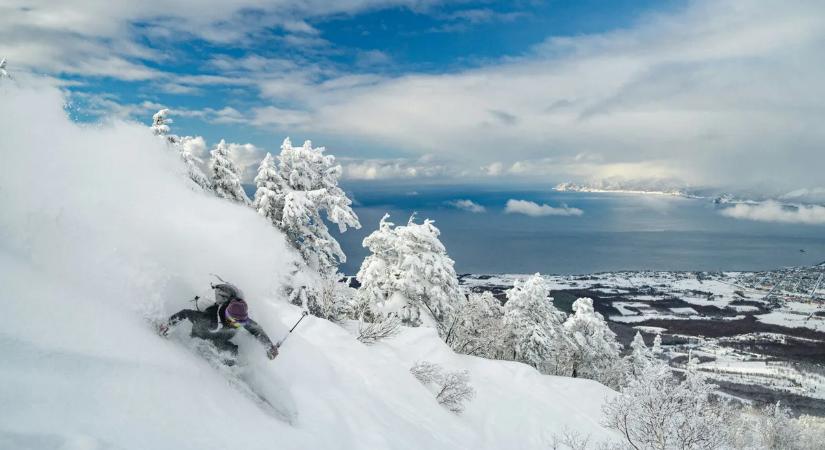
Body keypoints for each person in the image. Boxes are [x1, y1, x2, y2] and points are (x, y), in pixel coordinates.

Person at [159, 283, 279, 360]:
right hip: (202, 334)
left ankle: (229, 367)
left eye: (240, 323)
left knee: (232, 352)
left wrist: (269, 347)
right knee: (206, 342)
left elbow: (256, 330)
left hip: (221, 337)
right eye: (235, 322)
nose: (237, 325)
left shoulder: (240, 318)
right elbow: (185, 313)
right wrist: (167, 325)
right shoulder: (209, 319)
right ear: (227, 316)